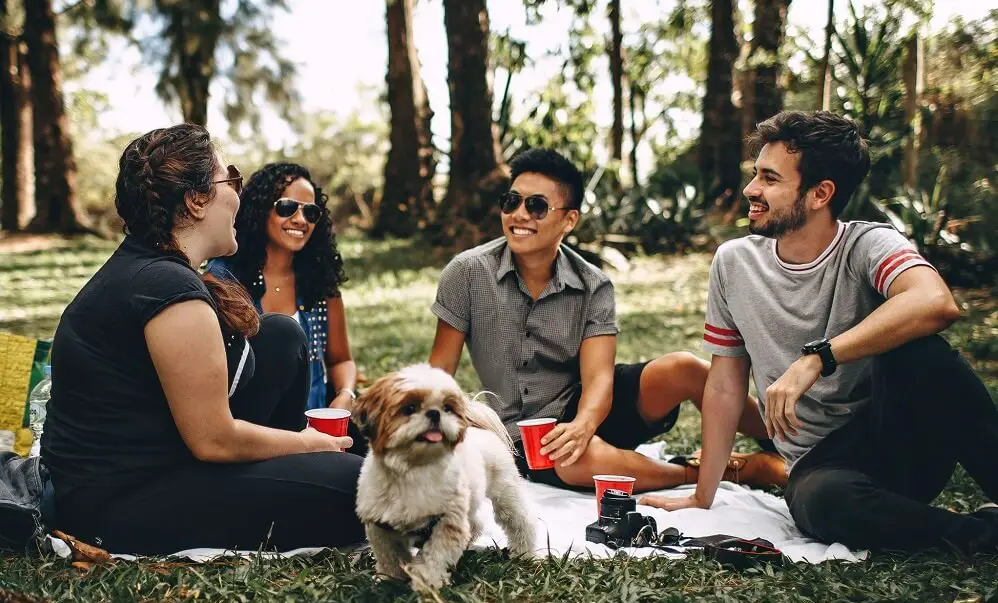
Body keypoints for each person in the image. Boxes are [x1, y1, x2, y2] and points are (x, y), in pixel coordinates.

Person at [643, 111, 998, 554]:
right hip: (822, 466)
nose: (752, 190)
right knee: (820, 503)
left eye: (770, 179)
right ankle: (983, 537)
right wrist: (703, 494)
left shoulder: (868, 244)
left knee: (923, 354)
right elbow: (724, 386)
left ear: (820, 193)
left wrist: (819, 357)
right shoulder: (734, 263)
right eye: (756, 174)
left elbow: (935, 302)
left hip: (900, 438)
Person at [42, 124, 365, 555]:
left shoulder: (155, 268)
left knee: (281, 335)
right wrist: (311, 443)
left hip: (165, 457)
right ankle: (310, 472)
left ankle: (302, 471)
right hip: (119, 503)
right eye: (229, 179)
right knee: (359, 487)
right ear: (196, 201)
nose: (238, 194)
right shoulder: (166, 288)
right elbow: (214, 440)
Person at [428, 148, 787, 493]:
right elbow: (440, 370)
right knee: (575, 461)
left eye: (536, 206)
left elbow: (599, 377)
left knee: (684, 368)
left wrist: (584, 424)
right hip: (525, 434)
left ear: (569, 220)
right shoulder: (468, 273)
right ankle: (719, 470)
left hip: (589, 405)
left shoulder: (593, 285)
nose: (519, 214)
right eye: (512, 201)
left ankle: (790, 446)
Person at [205, 163, 356, 413]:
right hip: (251, 431)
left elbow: (341, 359)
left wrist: (345, 395)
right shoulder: (222, 280)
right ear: (260, 209)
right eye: (287, 207)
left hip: (316, 429)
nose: (300, 220)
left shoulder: (319, 282)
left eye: (311, 212)